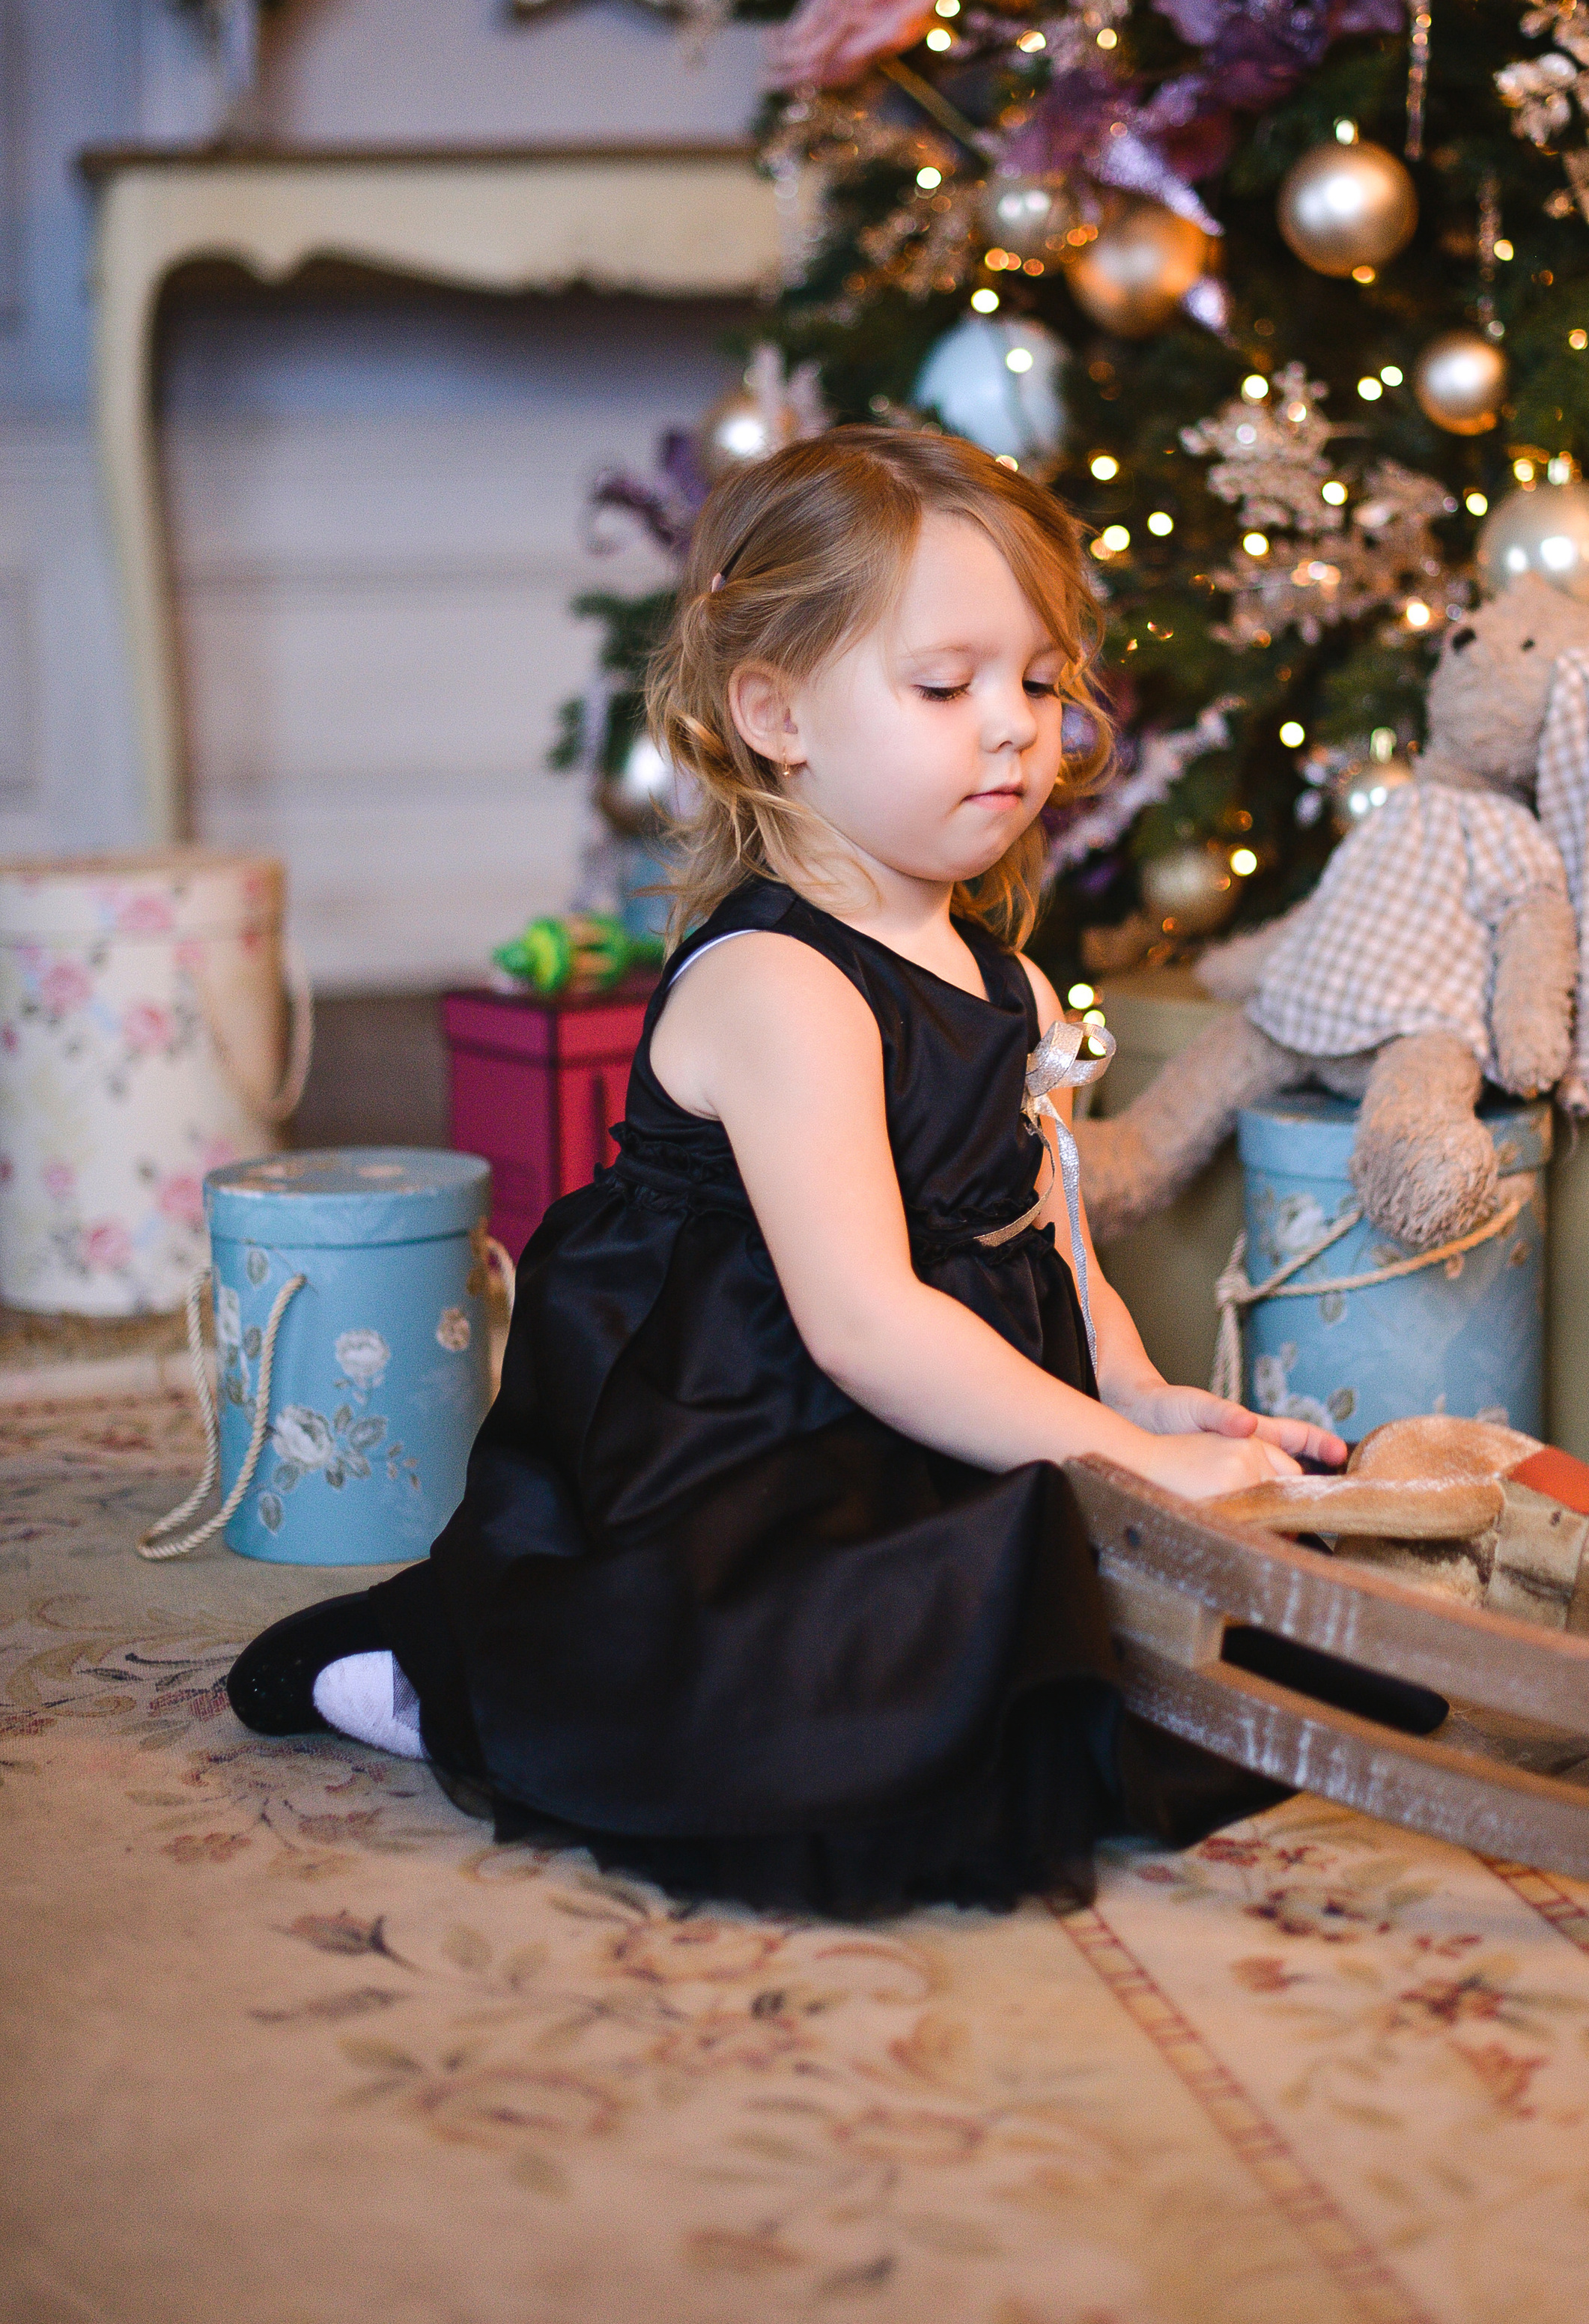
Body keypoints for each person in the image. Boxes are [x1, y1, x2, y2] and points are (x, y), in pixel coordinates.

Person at [228, 426, 1346, 1915]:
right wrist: (1123, 1463)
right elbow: (861, 1322)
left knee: (1128, 1605)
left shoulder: (999, 972)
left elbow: (1046, 1226)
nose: (1012, 728)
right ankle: (443, 1679)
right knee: (888, 1663)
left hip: (934, 1394)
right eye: (944, 686)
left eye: (1037, 680)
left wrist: (1132, 1394)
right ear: (775, 712)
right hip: (748, 1432)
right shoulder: (780, 985)